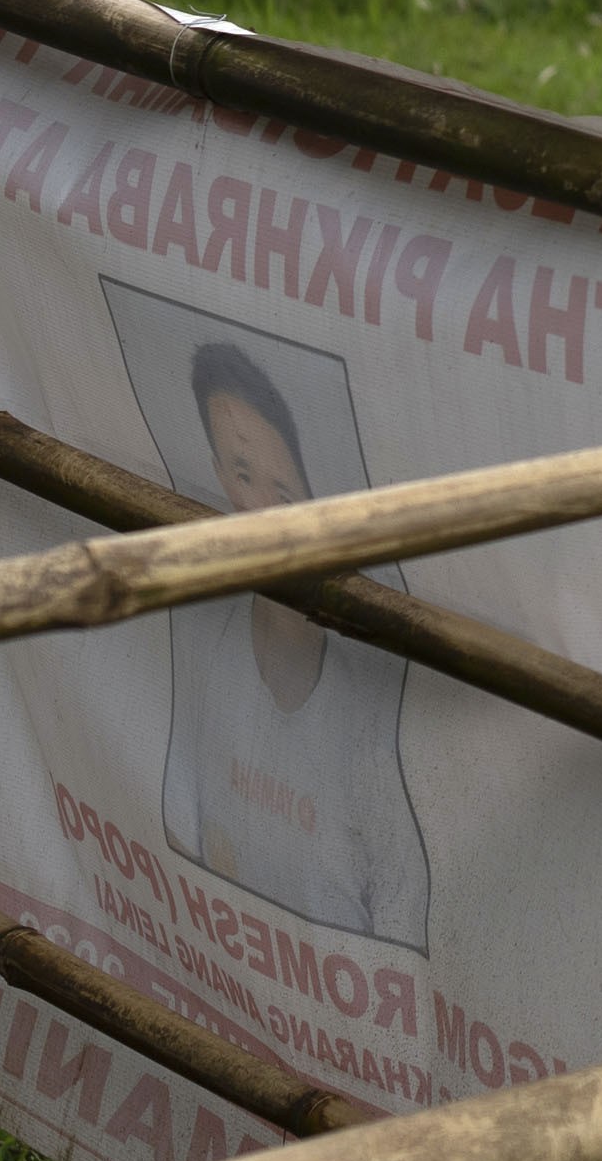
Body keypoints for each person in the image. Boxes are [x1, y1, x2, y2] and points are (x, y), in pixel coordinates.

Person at [157, 335, 437, 947]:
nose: (259, 514)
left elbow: (404, 938)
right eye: (240, 474)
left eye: (284, 494)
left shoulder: (376, 715)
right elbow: (180, 834)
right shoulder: (206, 649)